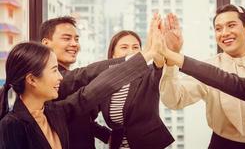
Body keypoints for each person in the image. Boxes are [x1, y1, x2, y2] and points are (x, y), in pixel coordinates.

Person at [0, 28, 160, 149]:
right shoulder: (11, 125)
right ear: (32, 79)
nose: (61, 77)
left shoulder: (56, 112)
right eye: (54, 70)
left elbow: (97, 89)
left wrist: (146, 55)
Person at [159, 6, 245, 149]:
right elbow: (174, 100)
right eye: (218, 29)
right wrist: (172, 57)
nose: (224, 33)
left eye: (231, 25)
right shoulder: (207, 69)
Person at [40, 16, 117, 148]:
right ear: (46, 43)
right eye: (66, 38)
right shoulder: (48, 81)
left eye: (76, 39)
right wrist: (127, 62)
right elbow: (81, 76)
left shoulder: (69, 78)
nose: (74, 44)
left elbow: (76, 120)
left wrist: (107, 135)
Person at [100, 28, 174, 149]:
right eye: (124, 47)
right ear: (113, 54)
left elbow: (159, 66)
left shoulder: (148, 72)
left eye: (135, 47)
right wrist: (105, 135)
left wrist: (157, 46)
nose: (131, 51)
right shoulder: (105, 80)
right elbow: (85, 111)